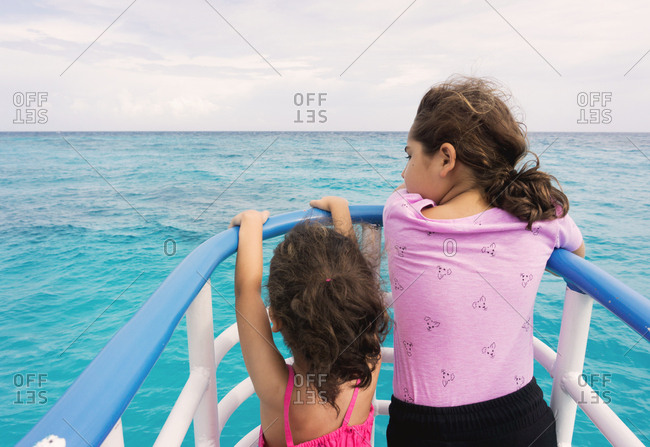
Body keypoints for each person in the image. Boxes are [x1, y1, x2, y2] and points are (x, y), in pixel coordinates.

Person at [383, 76, 585, 446]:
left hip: (427, 430)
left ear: (445, 157)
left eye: (409, 156)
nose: (403, 172)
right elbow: (578, 253)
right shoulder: (542, 218)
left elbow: (403, 191)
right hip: (523, 421)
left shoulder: (402, 216)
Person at [229, 196, 390, 447]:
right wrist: (340, 211)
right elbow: (352, 284)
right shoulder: (370, 361)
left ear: (276, 319)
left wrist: (250, 224)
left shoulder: (281, 393)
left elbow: (247, 292)